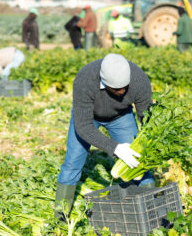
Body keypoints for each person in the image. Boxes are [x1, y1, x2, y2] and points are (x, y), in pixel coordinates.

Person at [54, 53, 155, 220]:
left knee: (138, 160)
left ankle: (150, 211)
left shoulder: (139, 79)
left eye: (125, 87)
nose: (122, 92)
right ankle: (60, 218)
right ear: (104, 82)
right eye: (116, 89)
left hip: (121, 117)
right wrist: (114, 148)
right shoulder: (85, 79)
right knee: (72, 163)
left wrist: (148, 143)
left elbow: (147, 117)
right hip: (88, 119)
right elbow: (83, 127)